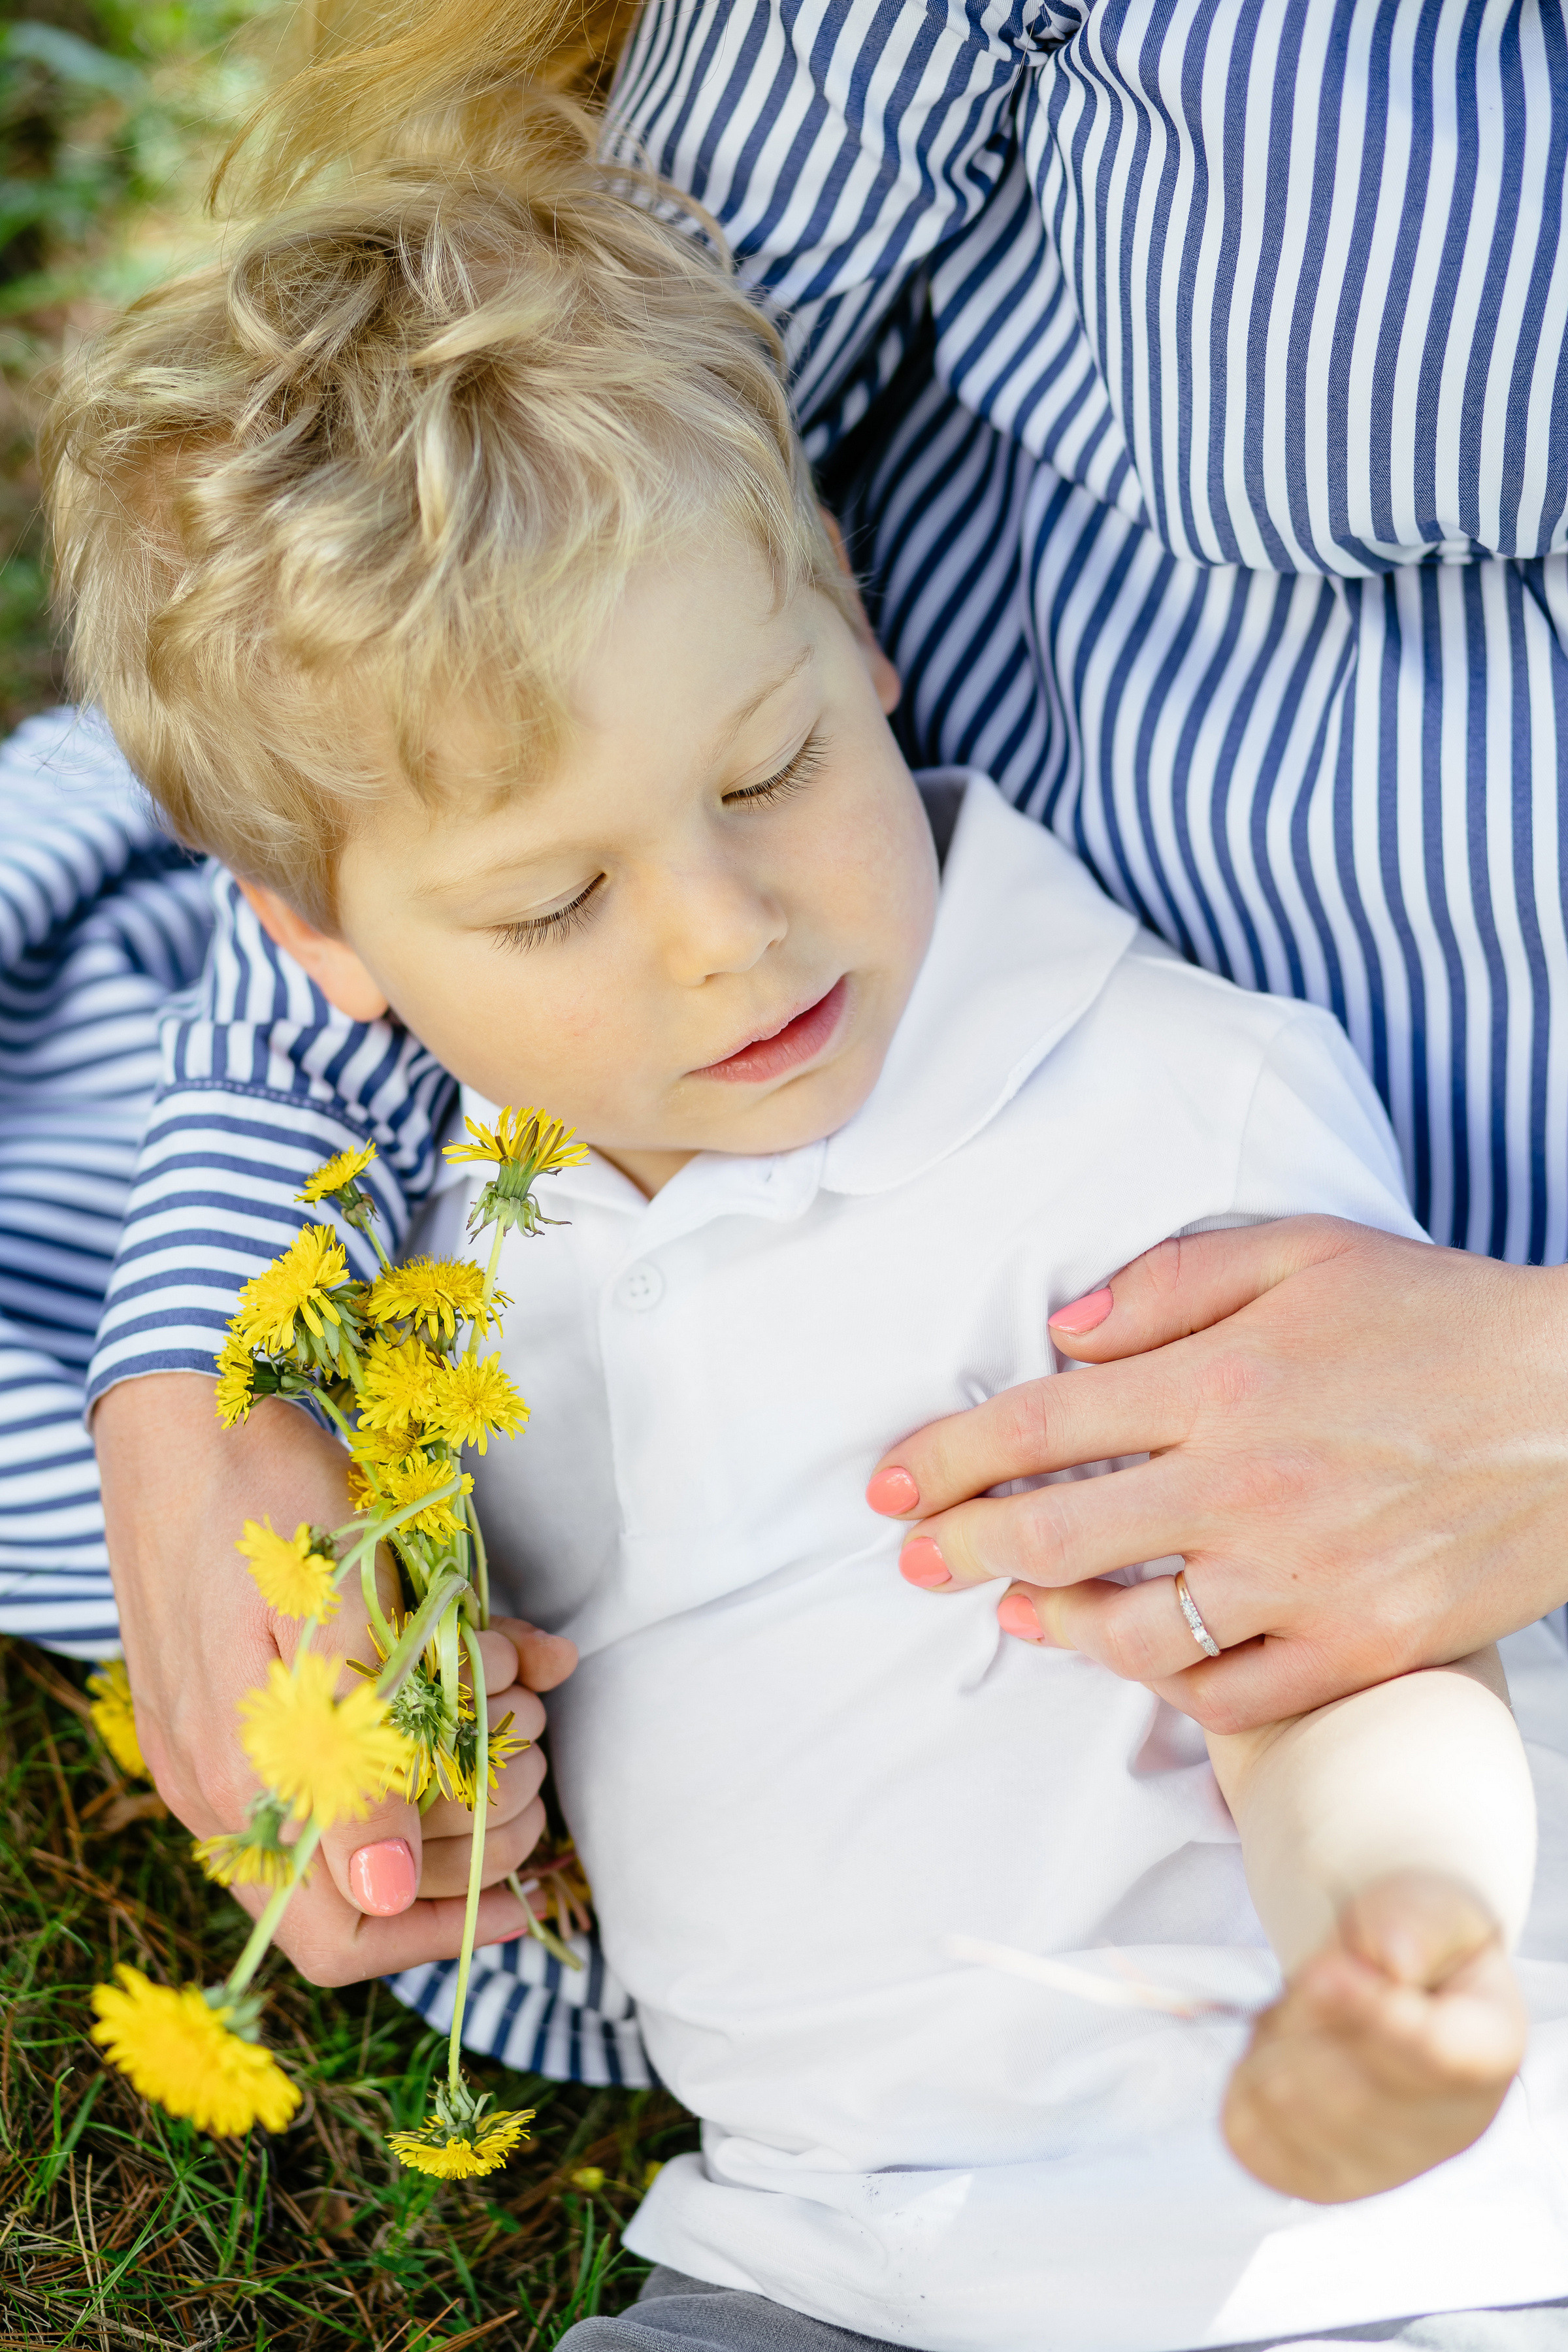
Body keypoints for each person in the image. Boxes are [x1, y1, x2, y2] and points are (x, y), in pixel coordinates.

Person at [41, 115, 1568, 2349]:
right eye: (555, 901)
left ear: (852, 628)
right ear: (313, 940)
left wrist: (1399, 1923)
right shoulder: (458, 1243)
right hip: (811, 2246)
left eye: (765, 774)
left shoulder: (1141, 1111)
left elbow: (1355, 1652)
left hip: (1312, 2251)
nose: (725, 939)